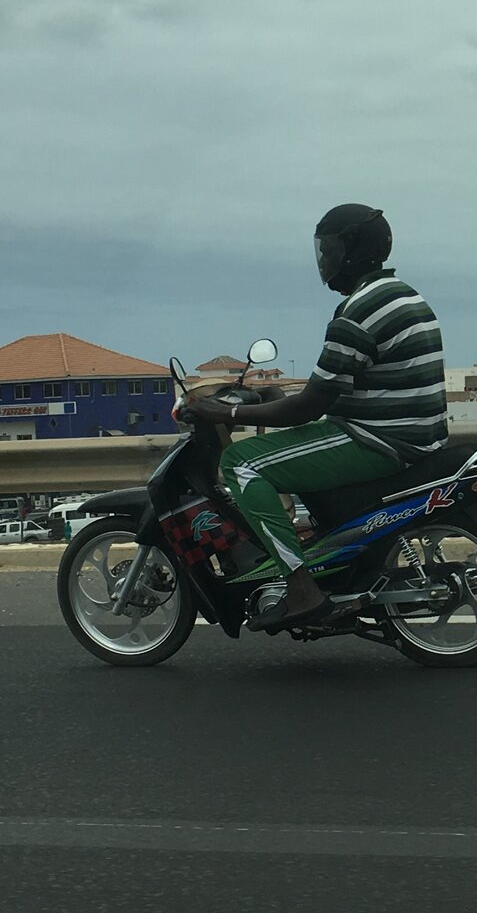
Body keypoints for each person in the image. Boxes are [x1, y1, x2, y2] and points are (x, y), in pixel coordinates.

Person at [178, 204, 446, 628]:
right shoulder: (401, 295)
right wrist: (270, 395)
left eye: (329, 250)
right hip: (413, 435)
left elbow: (309, 407)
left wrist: (228, 410)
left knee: (241, 463)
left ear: (353, 249)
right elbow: (339, 385)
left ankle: (301, 587)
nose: (324, 261)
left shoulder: (359, 311)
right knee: (294, 446)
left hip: (377, 440)